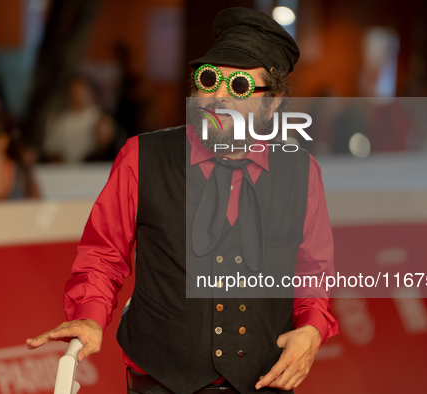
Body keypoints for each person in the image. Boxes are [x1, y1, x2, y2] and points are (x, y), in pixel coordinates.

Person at [27, 7, 338, 394]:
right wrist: (90, 317)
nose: (217, 97)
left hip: (263, 382)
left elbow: (313, 270)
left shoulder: (301, 172)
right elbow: (103, 253)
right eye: (208, 80)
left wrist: (311, 329)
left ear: (272, 102)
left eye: (238, 87)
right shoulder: (142, 157)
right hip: (160, 381)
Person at [42, 75, 116, 162]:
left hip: (92, 168)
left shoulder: (102, 118)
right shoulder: (59, 118)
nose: (78, 97)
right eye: (74, 93)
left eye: (82, 92)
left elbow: (106, 147)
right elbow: (50, 147)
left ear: (92, 93)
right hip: (63, 170)